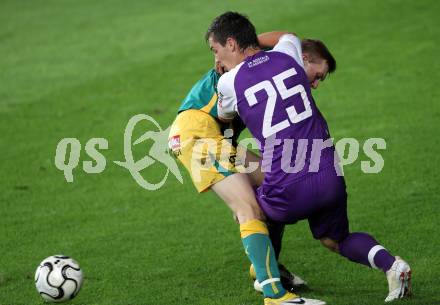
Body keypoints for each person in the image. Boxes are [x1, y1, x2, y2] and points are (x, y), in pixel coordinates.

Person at [210, 11, 411, 304]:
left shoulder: (229, 83)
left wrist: (224, 70)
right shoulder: (290, 54)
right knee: (336, 239)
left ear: (230, 43)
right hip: (329, 174)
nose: (216, 59)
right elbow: (286, 36)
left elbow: (224, 116)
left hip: (288, 187)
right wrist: (250, 45)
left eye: (216, 51)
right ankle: (392, 265)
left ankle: (267, 273)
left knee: (250, 208)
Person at [168, 37, 323, 304]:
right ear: (303, 59)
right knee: (247, 208)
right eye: (317, 75)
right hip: (196, 133)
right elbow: (285, 35)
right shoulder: (253, 68)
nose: (316, 83)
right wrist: (240, 46)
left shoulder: (263, 69)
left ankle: (263, 271)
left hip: (218, 138)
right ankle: (275, 295)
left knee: (276, 187)